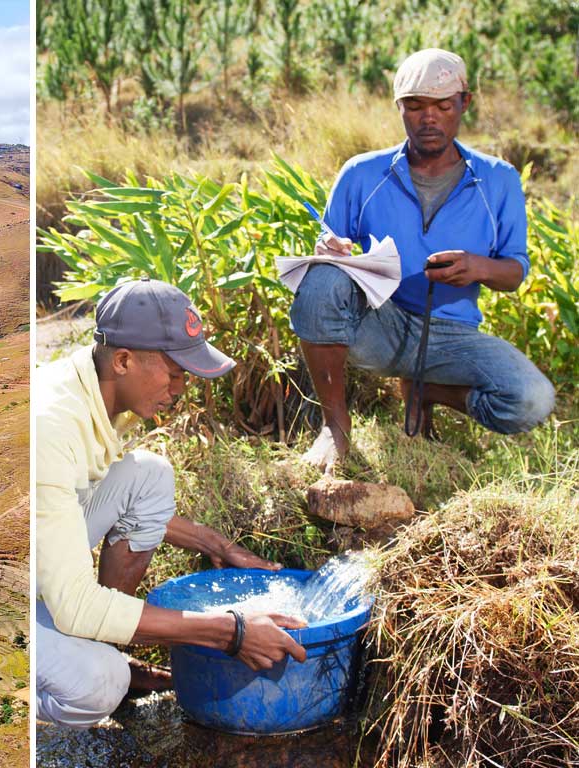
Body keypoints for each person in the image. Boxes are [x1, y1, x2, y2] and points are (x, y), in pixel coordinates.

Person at [35, 278, 307, 728]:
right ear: (123, 360)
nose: (181, 388)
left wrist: (216, 546)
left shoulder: (98, 388)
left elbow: (86, 504)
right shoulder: (52, 428)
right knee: (98, 684)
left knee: (150, 475)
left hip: (31, 550)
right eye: (176, 372)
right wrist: (232, 632)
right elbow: (77, 605)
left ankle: (100, 644)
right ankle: (44, 689)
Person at [292, 48, 555, 470]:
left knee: (531, 400)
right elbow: (328, 242)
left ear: (464, 103)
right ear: (399, 108)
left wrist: (478, 267)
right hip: (379, 323)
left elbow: (515, 271)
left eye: (442, 105)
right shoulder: (361, 173)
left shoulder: (498, 179)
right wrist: (330, 249)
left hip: (452, 335)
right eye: (414, 106)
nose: (428, 118)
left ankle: (426, 390)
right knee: (321, 278)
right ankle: (334, 427)